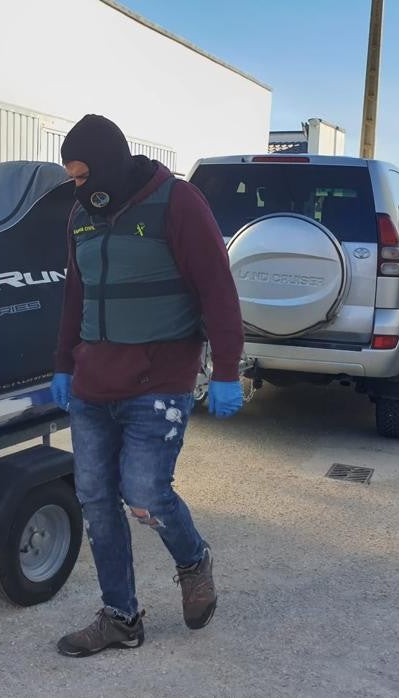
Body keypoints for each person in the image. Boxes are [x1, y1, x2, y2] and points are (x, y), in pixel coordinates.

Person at [49, 114, 245, 657]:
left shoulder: (177, 202)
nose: (79, 187)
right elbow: (75, 296)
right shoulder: (81, 216)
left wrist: (226, 369)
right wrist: (63, 362)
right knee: (95, 500)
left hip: (158, 381)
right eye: (72, 178)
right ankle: (120, 617)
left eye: (85, 175)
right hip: (92, 383)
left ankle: (193, 560)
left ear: (110, 164)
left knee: (145, 494)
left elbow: (217, 287)